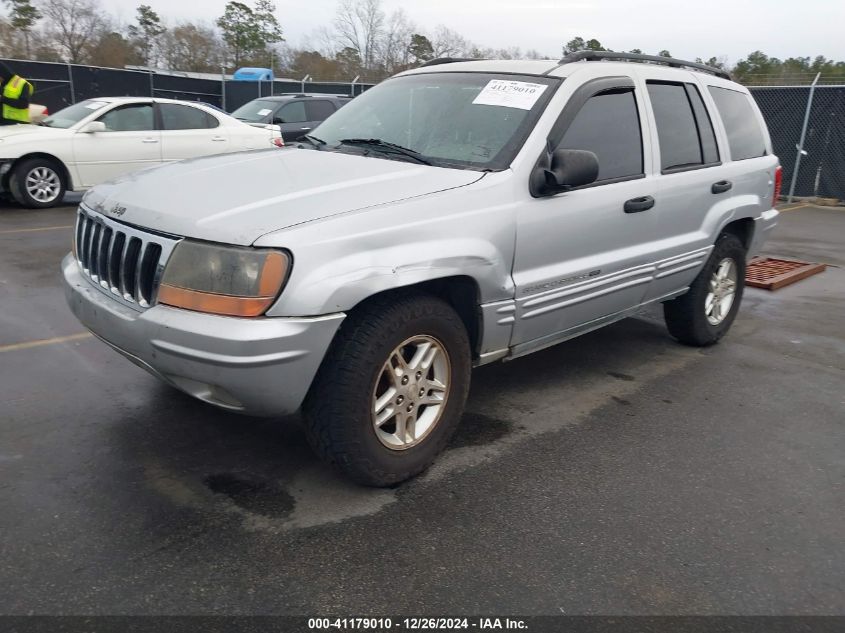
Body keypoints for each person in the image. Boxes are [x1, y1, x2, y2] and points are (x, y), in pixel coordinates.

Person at [0, 61, 34, 126]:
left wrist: (2, 99)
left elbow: (23, 104)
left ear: (2, 74)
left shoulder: (22, 84)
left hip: (17, 125)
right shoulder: (2, 83)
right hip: (3, 124)